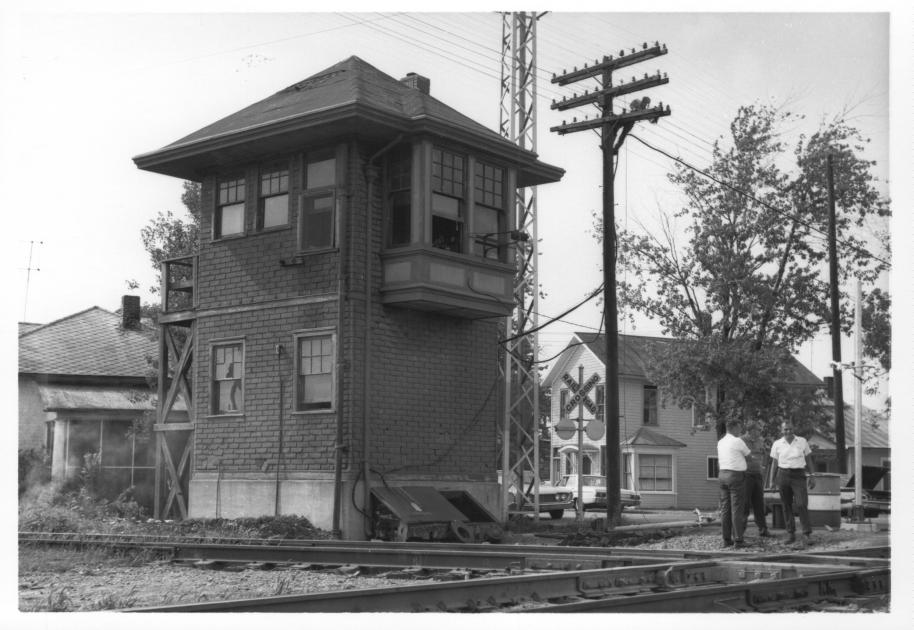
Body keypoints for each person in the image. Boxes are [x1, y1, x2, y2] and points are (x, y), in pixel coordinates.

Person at [769, 419, 816, 544]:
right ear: (782, 430)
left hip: (798, 475)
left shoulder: (802, 441)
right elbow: (774, 464)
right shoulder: (777, 444)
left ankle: (806, 534)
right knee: (786, 505)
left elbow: (809, 459)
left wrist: (812, 475)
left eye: (790, 428)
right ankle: (791, 534)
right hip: (783, 475)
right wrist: (772, 481)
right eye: (785, 429)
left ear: (793, 429)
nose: (788, 431)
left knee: (801, 504)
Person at [717, 418, 751, 548]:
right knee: (737, 509)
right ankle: (738, 540)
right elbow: (748, 455)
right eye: (739, 427)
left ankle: (726, 539)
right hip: (736, 476)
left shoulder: (720, 442)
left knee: (725, 509)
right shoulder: (737, 441)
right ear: (734, 428)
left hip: (722, 475)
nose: (740, 430)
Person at [741, 425, 770, 537]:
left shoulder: (760, 441)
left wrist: (763, 467)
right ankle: (740, 531)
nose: (760, 432)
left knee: (759, 503)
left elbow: (766, 454)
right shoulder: (741, 441)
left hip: (757, 475)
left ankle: (763, 529)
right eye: (758, 430)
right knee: (745, 504)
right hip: (745, 475)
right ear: (751, 430)